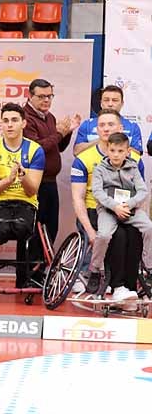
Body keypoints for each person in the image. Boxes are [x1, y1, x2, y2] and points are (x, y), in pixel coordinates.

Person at [70, 109, 145, 304]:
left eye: (111, 124)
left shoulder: (135, 161)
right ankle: (116, 285)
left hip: (127, 210)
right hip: (96, 211)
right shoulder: (83, 159)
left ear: (120, 128)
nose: (106, 129)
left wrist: (131, 211)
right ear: (97, 129)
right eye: (102, 125)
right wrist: (89, 232)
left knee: (135, 235)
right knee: (118, 236)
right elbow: (77, 199)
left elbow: (141, 193)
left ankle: (129, 288)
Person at [0, 103, 46, 288]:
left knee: (23, 230)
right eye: (5, 121)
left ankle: (23, 280)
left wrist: (22, 177)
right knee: (2, 231)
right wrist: (9, 179)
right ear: (1, 124)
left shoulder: (35, 150)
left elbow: (32, 190)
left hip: (25, 203)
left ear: (23, 123)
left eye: (14, 120)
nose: (10, 125)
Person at [85, 131, 152, 299]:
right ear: (107, 150)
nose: (116, 154)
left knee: (149, 227)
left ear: (127, 151)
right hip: (108, 210)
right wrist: (115, 206)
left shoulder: (133, 167)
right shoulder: (99, 169)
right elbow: (97, 192)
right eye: (113, 150)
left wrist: (129, 204)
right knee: (104, 235)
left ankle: (149, 269)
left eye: (120, 151)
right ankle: (94, 270)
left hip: (130, 209)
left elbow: (143, 190)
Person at [22, 78, 82, 244]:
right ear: (30, 96)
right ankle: (30, 270)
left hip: (50, 182)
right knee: (33, 230)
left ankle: (43, 267)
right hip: (34, 182)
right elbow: (37, 149)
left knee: (51, 228)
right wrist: (59, 134)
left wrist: (67, 132)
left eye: (50, 96)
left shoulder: (50, 117)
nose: (46, 100)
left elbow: (58, 147)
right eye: (41, 96)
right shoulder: (25, 118)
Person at [73, 85, 144, 156]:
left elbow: (137, 155)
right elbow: (76, 152)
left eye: (115, 100)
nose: (110, 104)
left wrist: (116, 143)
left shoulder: (133, 127)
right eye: (106, 100)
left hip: (120, 167)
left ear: (122, 104)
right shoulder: (87, 125)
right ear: (101, 103)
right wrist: (101, 141)